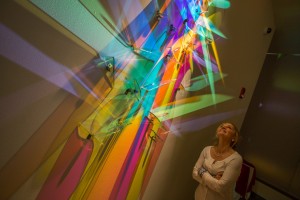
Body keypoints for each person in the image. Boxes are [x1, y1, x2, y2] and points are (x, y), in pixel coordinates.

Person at [192, 122, 243, 200]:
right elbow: (194, 173)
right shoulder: (207, 149)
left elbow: (220, 187)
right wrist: (213, 179)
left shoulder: (236, 159)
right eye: (222, 126)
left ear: (234, 137)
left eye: (229, 127)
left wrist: (202, 172)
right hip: (199, 196)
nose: (224, 127)